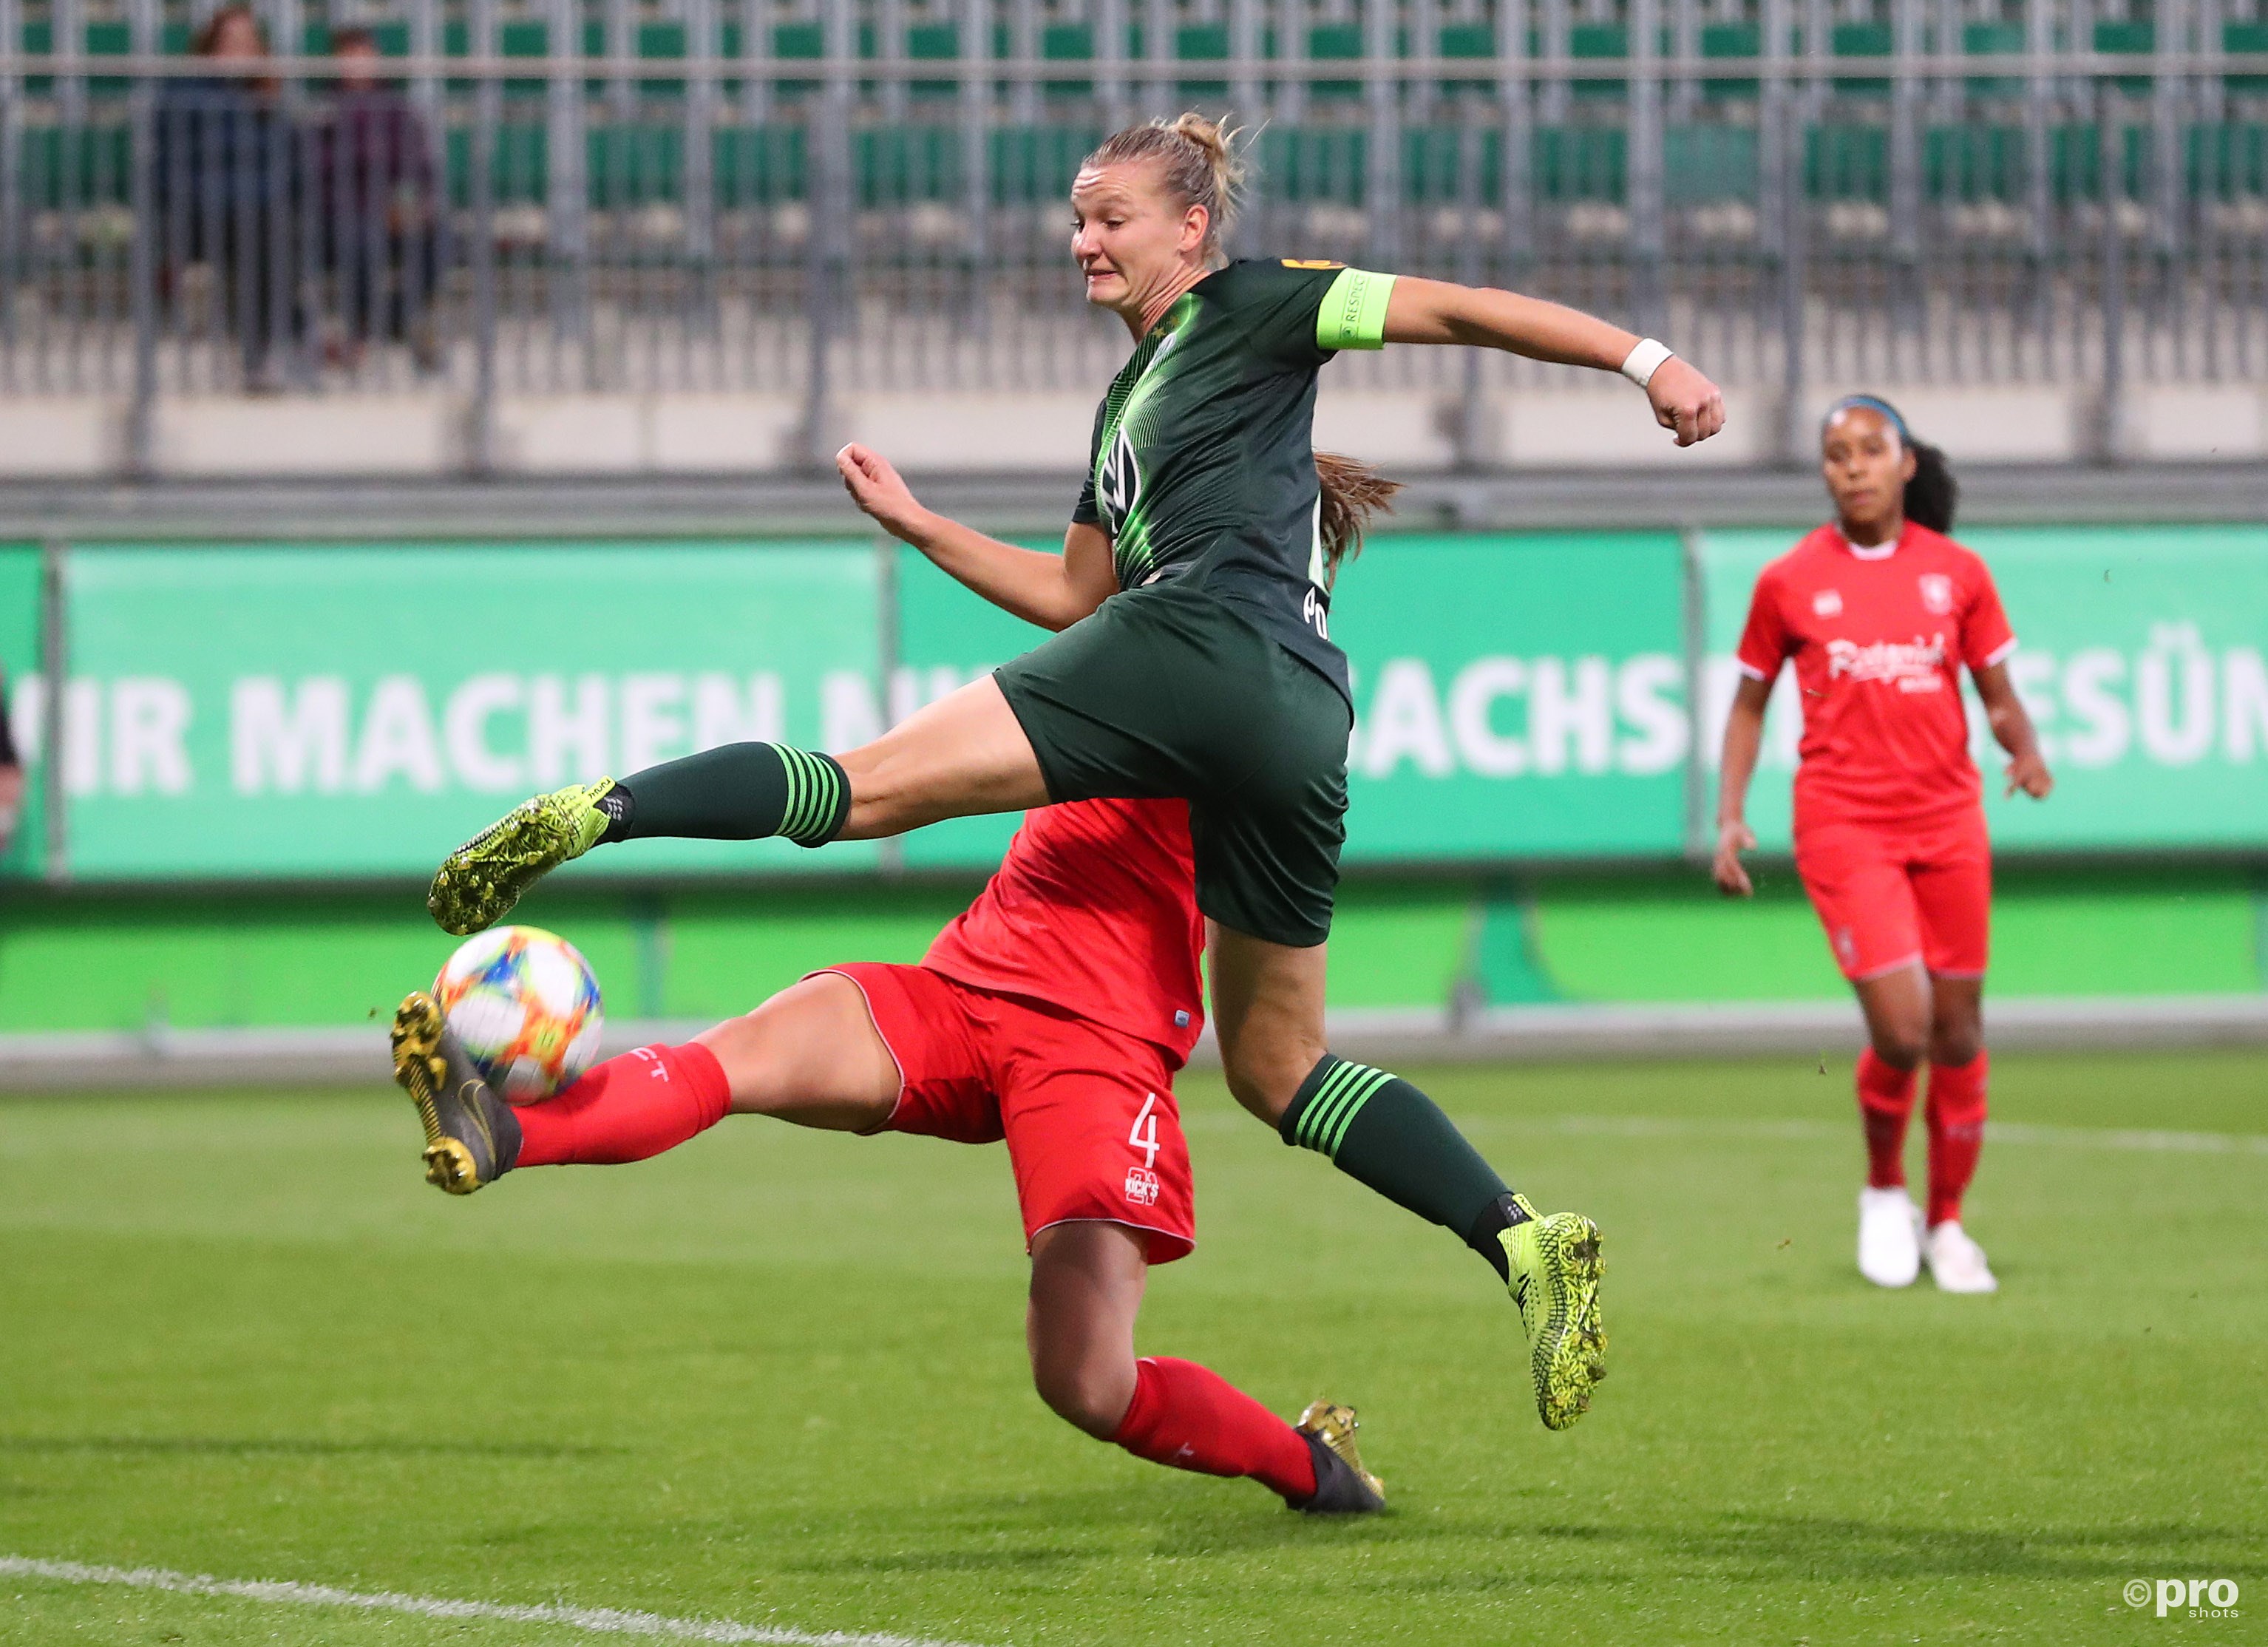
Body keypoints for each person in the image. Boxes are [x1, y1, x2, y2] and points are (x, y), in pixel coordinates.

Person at [426, 113, 1717, 1427]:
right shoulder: (1131, 414)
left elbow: (1461, 312)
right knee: (1281, 1068)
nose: (1081, 241)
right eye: (1077, 218)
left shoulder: (1255, 306)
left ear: (1192, 227)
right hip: (1303, 718)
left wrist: (1643, 359)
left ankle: (603, 806)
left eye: (1108, 218)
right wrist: (923, 526)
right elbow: (1072, 592)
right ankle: (1519, 1235)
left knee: (862, 788)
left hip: (1199, 645)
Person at [394, 795, 1388, 1515]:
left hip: (1098, 1048)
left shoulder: (1249, 700)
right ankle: (510, 1132)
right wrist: (920, 525)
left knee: (1088, 1383)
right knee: (738, 1055)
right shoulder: (1126, 636)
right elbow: (1068, 596)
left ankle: (1314, 1471)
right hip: (966, 987)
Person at [1712, 395, 2052, 1295]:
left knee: (1959, 1026)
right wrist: (1728, 813)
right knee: (1903, 1030)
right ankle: (1881, 1188)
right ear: (1822, 472)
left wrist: (2022, 747)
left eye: (1869, 449)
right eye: (1835, 454)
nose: (1852, 466)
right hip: (1842, 822)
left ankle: (1946, 1223)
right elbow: (1747, 703)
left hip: (1945, 818)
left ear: (1905, 463)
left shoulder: (1958, 573)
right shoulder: (1787, 581)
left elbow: (1995, 687)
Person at [152, 3, 301, 392]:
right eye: (231, 41)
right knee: (262, 239)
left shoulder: (269, 92)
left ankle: (271, 354)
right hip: (202, 212)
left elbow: (287, 162)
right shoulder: (185, 91)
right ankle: (286, 344)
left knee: (279, 236)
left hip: (259, 210)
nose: (239, 49)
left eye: (247, 42)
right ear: (212, 45)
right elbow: (172, 167)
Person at [317, 27, 443, 373]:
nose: (358, 66)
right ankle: (374, 329)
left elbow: (420, 169)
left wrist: (412, 205)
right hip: (340, 214)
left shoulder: (398, 110)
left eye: (364, 57)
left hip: (394, 212)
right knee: (360, 239)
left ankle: (391, 323)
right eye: (349, 59)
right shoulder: (322, 109)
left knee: (440, 240)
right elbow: (319, 171)